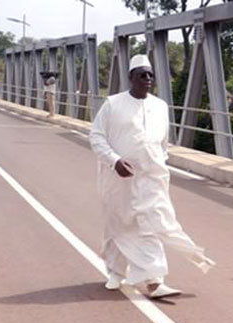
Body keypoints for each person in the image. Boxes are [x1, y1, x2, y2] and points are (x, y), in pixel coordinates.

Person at [89, 55, 215, 298]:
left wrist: (158, 166)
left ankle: (155, 281)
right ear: (130, 78)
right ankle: (115, 272)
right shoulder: (113, 104)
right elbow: (96, 136)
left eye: (150, 75)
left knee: (152, 225)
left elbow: (163, 144)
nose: (147, 79)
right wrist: (114, 161)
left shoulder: (160, 106)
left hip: (152, 178)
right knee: (119, 224)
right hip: (118, 179)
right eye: (142, 74)